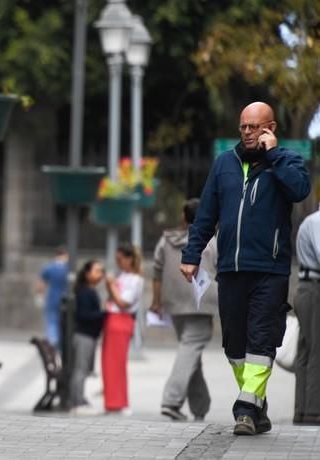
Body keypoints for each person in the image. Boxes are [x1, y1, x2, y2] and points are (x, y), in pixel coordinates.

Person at [181, 101, 310, 435]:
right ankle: (256, 402)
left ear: (271, 128)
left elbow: (299, 190)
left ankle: (245, 409)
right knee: (235, 345)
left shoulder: (287, 163)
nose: (249, 133)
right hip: (231, 270)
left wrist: (275, 155)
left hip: (270, 269)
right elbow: (206, 213)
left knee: (262, 340)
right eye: (244, 127)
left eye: (256, 127)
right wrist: (192, 253)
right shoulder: (224, 164)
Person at [151, 198, 218, 422]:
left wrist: (156, 301)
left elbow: (157, 271)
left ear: (183, 216)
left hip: (174, 304)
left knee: (190, 352)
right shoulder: (211, 241)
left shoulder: (166, 240)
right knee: (190, 349)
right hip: (202, 303)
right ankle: (171, 401)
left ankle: (201, 406)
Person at [102, 244, 144, 415]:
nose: (118, 263)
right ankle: (111, 401)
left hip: (122, 320)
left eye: (120, 260)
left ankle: (120, 401)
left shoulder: (136, 280)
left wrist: (111, 285)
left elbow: (123, 302)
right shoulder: (124, 276)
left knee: (117, 364)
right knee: (108, 364)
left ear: (130, 259)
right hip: (113, 319)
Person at [293, 204, 320, 425]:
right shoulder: (318, 221)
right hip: (314, 288)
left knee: (305, 351)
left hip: (306, 286)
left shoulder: (310, 220)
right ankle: (314, 410)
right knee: (316, 351)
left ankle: (301, 409)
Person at [69, 260, 105, 415]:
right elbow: (83, 315)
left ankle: (80, 399)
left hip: (89, 336)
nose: (100, 274)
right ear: (87, 273)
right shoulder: (84, 292)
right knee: (80, 370)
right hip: (84, 336)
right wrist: (104, 314)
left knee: (83, 370)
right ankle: (76, 403)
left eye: (101, 271)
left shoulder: (90, 291)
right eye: (96, 271)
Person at [35, 247, 69, 349]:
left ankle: (52, 341)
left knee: (51, 322)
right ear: (64, 255)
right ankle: (59, 343)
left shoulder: (49, 268)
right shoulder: (68, 268)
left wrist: (38, 296)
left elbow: (41, 284)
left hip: (52, 298)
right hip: (65, 299)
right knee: (61, 322)